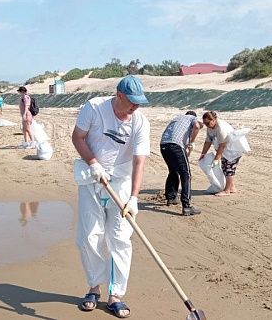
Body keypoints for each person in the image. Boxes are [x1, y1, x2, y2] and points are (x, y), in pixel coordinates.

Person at [71, 75, 150, 319]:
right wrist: (93, 163)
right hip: (92, 179)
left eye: (139, 102)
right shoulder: (94, 107)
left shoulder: (140, 122)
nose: (135, 106)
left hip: (121, 184)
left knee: (120, 239)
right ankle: (94, 287)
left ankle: (115, 294)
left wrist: (134, 198)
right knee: (89, 236)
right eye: (132, 101)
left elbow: (139, 161)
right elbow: (77, 137)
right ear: (119, 95)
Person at [160, 110, 203, 215]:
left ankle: (171, 197)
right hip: (176, 145)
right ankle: (187, 206)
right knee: (186, 174)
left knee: (173, 171)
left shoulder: (177, 119)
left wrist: (188, 149)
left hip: (163, 145)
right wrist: (192, 142)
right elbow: (197, 126)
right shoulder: (192, 118)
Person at [199, 111, 239, 197]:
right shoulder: (210, 127)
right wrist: (203, 154)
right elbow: (208, 141)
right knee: (224, 167)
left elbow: (222, 145)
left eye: (208, 123)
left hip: (233, 149)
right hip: (225, 150)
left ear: (214, 120)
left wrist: (217, 158)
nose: (207, 125)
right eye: (205, 123)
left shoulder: (221, 128)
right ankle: (232, 187)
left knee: (229, 168)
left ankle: (227, 190)